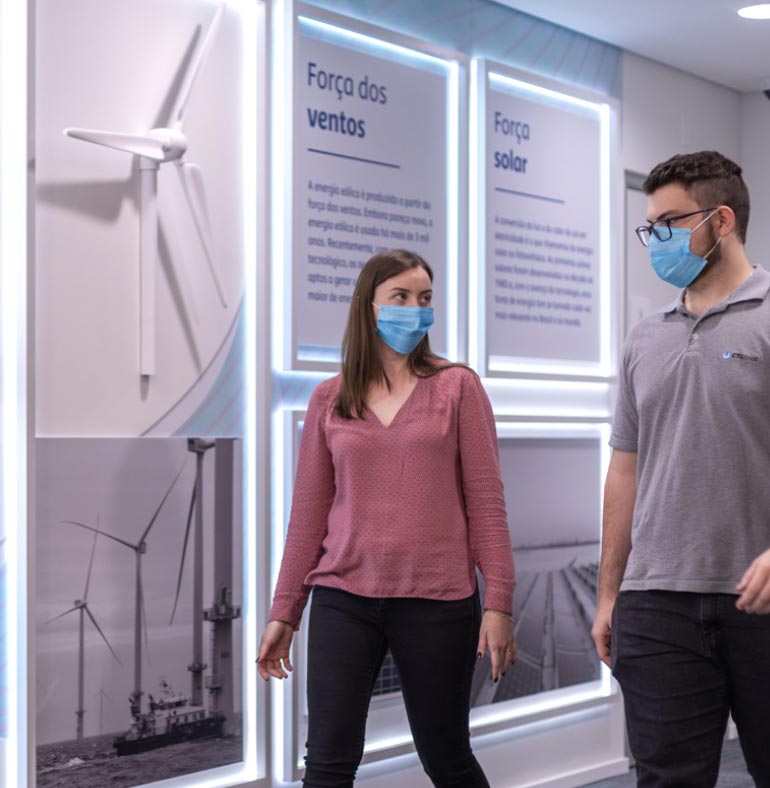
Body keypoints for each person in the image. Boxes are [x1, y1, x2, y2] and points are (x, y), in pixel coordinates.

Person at [258, 249, 517, 788]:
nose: (415, 310)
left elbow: (486, 502)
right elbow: (307, 515)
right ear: (367, 306)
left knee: (446, 757)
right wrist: (285, 610)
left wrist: (499, 602)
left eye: (424, 299)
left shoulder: (457, 388)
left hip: (437, 601)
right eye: (400, 297)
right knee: (327, 762)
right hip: (343, 598)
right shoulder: (329, 399)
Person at [592, 150, 770, 786]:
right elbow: (625, 469)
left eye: (668, 222)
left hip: (760, 597)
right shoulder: (646, 338)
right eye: (650, 226)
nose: (655, 239)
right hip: (657, 602)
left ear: (720, 221)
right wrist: (612, 591)